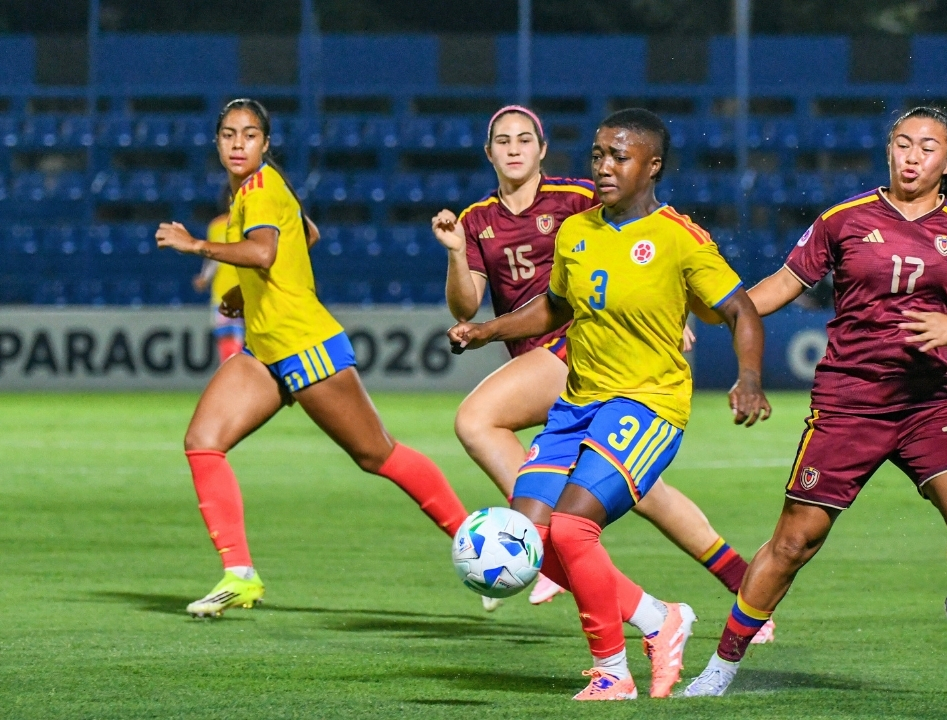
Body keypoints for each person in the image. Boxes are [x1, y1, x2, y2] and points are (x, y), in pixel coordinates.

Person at [683, 106, 947, 696]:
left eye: (926, 147)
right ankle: (721, 668)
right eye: (901, 144)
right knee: (793, 543)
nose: (912, 156)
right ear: (888, 151)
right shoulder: (844, 219)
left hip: (928, 404)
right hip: (849, 402)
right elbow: (779, 287)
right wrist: (712, 309)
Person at [448, 108, 771, 700]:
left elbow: (740, 309)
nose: (603, 166)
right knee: (532, 538)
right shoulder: (578, 232)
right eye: (597, 154)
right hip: (577, 403)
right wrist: (488, 331)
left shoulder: (679, 237)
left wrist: (748, 376)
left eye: (618, 157)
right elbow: (556, 307)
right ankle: (658, 619)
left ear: (652, 167)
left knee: (573, 528)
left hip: (647, 404)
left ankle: (612, 671)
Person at [155, 98, 469, 618]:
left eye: (249, 135)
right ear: (217, 143)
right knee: (203, 442)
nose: (238, 144)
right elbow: (307, 234)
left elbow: (262, 252)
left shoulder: (259, 189)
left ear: (265, 144)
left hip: (305, 346)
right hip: (266, 349)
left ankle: (473, 542)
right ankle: (240, 575)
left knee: (378, 455)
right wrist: (248, 295)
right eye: (229, 135)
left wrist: (195, 247)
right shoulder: (257, 191)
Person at [191, 197, 245, 363]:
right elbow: (212, 256)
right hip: (221, 293)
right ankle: (232, 379)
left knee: (242, 341)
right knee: (225, 341)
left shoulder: (249, 223)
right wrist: (204, 278)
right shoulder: (216, 226)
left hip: (245, 292)